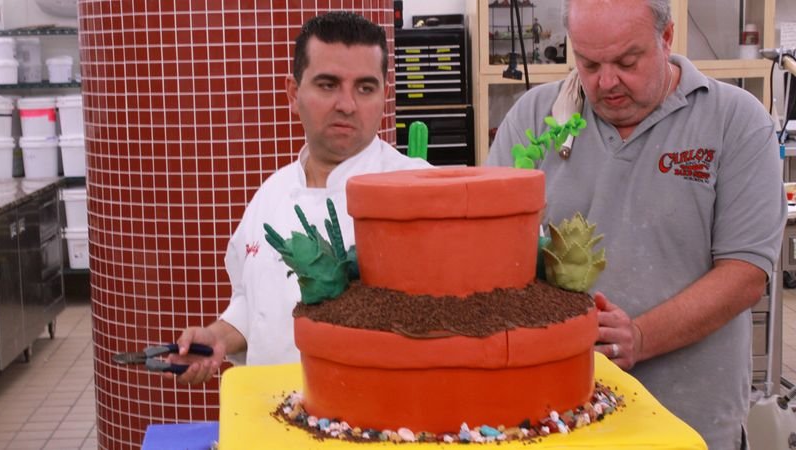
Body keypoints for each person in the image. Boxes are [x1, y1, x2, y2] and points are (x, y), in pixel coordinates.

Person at [487, 0, 786, 448]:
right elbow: (492, 247)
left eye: (627, 62)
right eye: (589, 64)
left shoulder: (734, 121)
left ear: (666, 39)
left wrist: (641, 337)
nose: (606, 82)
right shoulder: (536, 118)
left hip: (690, 423)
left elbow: (745, 273)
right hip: (558, 420)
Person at [167, 12, 430, 384]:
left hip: (373, 411)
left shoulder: (420, 191)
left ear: (384, 96)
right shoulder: (271, 194)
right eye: (328, 84)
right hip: (273, 408)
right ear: (293, 93)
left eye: (365, 88)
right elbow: (254, 304)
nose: (347, 104)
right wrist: (218, 337)